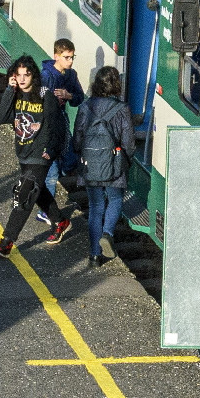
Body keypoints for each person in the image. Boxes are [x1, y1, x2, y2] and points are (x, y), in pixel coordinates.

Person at [0, 56, 73, 256]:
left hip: (41, 154)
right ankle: (60, 221)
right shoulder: (15, 94)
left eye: (26, 75)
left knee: (25, 193)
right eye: (18, 75)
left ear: (33, 76)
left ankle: (7, 241)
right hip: (24, 153)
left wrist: (50, 151)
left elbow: (56, 126)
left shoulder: (45, 95)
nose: (21, 79)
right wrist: (9, 90)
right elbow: (0, 118)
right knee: (39, 191)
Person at [75, 65, 135, 267]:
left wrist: (83, 155)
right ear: (116, 85)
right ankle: (107, 233)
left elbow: (77, 139)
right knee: (116, 200)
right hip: (114, 162)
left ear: (95, 85)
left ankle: (93, 256)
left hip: (90, 163)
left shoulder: (85, 107)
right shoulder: (122, 109)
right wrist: (125, 161)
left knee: (95, 207)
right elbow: (128, 142)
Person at [40, 37, 83, 200]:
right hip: (49, 123)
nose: (70, 61)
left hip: (62, 121)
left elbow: (79, 98)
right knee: (52, 168)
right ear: (56, 56)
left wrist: (69, 95)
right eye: (67, 57)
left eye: (72, 57)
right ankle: (46, 209)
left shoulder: (71, 75)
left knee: (68, 160)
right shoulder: (47, 75)